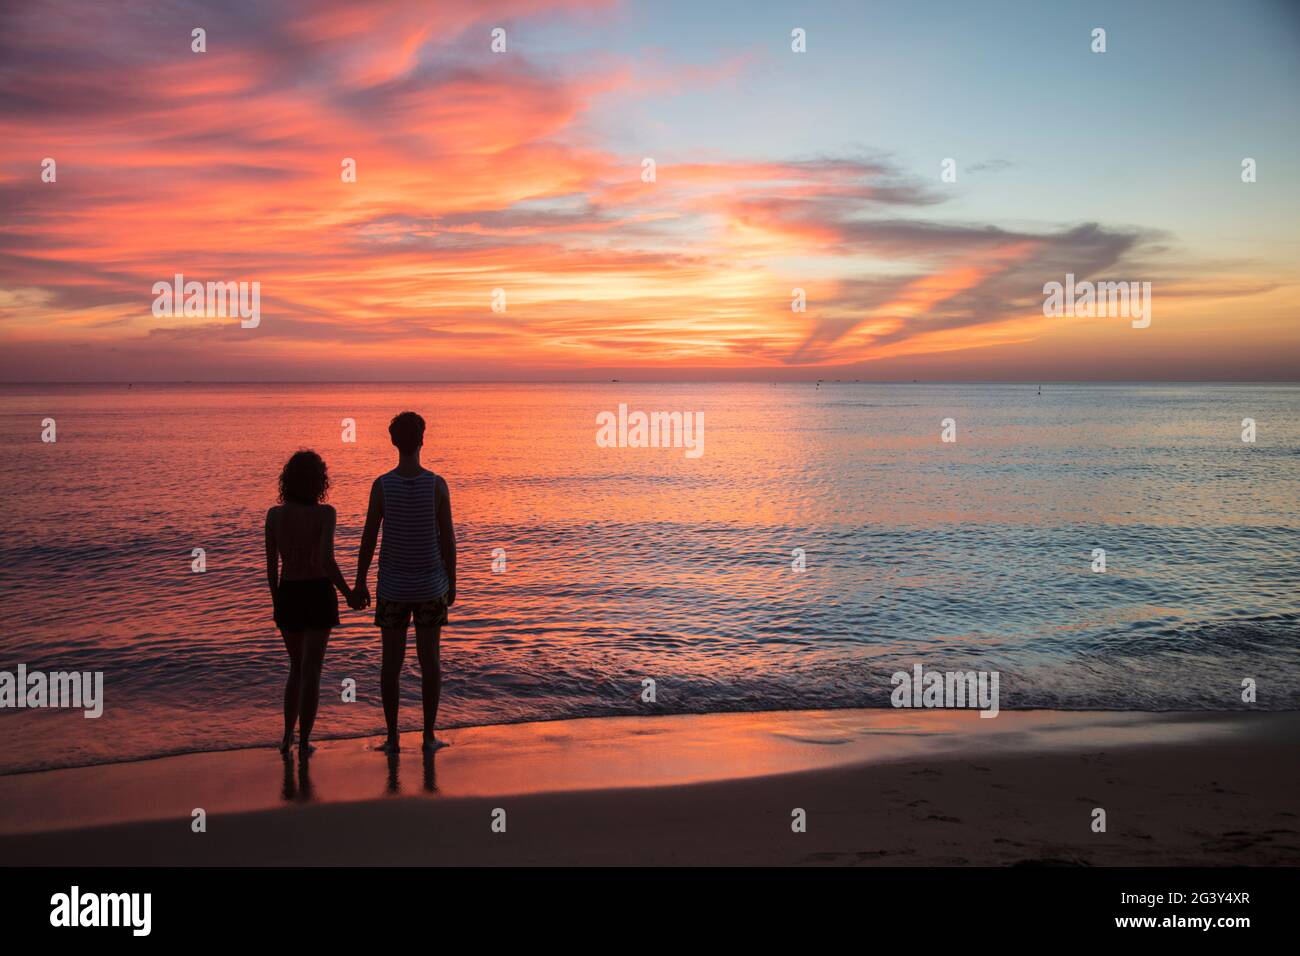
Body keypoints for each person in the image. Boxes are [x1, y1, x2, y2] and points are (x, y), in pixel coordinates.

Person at [354, 411, 457, 753]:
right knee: (431, 663)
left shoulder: (382, 486)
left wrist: (359, 582)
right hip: (431, 587)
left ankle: (393, 737)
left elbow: (369, 538)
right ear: (422, 440)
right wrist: (452, 582)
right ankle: (428, 736)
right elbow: (448, 540)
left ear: (394, 442)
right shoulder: (436, 485)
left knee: (391, 666)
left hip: (393, 589)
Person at [265, 450, 354, 754]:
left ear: (287, 480)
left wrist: (278, 604)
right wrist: (349, 593)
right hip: (318, 592)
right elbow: (327, 561)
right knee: (312, 670)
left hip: (289, 592)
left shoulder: (274, 515)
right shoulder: (325, 513)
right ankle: (304, 741)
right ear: (319, 481)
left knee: (295, 669)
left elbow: (271, 569)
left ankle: (287, 736)